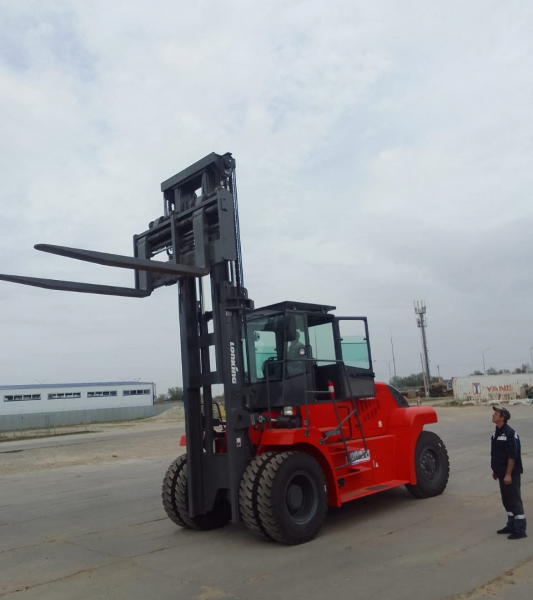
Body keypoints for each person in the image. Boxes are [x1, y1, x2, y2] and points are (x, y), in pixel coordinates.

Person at [491, 405, 527, 539]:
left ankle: (520, 529)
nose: (493, 415)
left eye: (496, 414)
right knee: (507, 500)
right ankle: (511, 525)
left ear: (502, 418)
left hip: (511, 473)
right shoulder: (496, 433)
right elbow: (496, 454)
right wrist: (496, 471)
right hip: (501, 473)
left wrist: (508, 474)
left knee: (514, 500)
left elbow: (512, 456)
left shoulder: (510, 433)